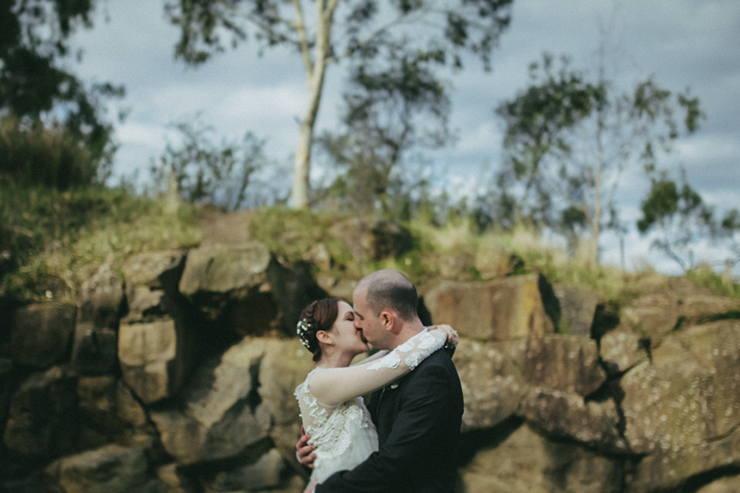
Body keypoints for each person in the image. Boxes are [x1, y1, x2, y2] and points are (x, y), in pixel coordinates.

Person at [296, 269, 464, 493]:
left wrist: (324, 490)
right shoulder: (380, 371)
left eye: (360, 317)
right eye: (351, 318)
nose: (358, 325)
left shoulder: (431, 373)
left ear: (386, 319)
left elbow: (395, 462)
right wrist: (316, 454)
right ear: (325, 337)